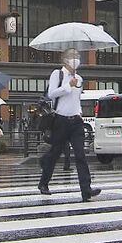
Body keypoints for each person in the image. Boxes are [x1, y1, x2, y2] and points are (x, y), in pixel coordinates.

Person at [38, 48, 101, 202]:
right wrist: (68, 86)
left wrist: (79, 111)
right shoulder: (57, 74)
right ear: (64, 59)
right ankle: (43, 182)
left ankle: (86, 190)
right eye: (72, 56)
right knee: (55, 154)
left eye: (78, 56)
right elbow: (51, 93)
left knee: (80, 155)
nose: (76, 59)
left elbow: (76, 99)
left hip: (76, 122)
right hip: (60, 120)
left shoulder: (79, 79)